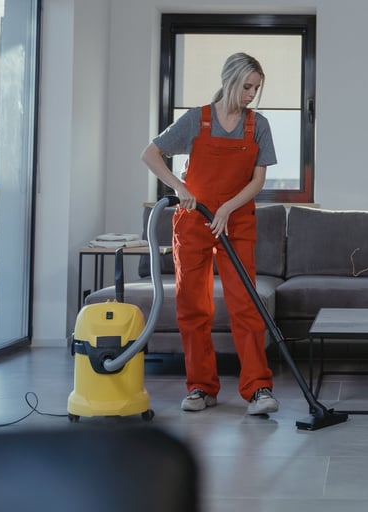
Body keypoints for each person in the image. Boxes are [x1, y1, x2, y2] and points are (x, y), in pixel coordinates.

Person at [141, 52, 279, 415]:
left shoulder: (257, 124)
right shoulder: (196, 120)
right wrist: (179, 186)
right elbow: (151, 154)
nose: (251, 94)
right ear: (229, 80)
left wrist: (227, 208)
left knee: (245, 304)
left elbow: (259, 180)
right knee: (192, 307)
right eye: (247, 86)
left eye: (256, 88)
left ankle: (258, 389)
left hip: (236, 221)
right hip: (193, 221)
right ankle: (202, 387)